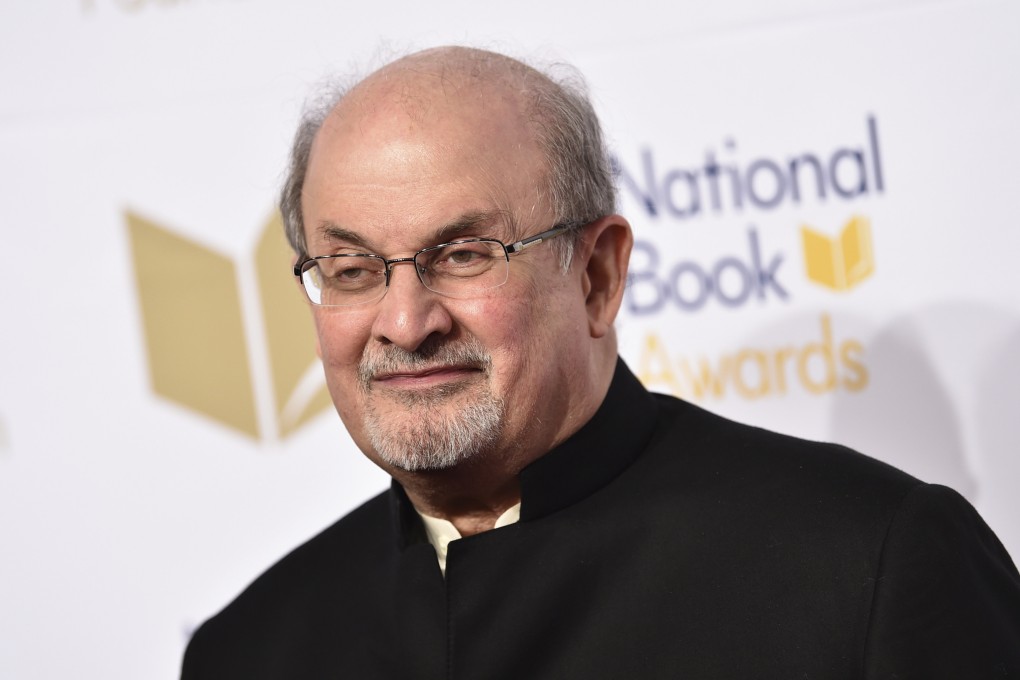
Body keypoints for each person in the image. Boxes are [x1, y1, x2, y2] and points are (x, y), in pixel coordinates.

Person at [181, 46, 1020, 678]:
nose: (405, 322)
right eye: (354, 270)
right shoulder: (250, 651)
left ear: (596, 275)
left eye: (465, 254)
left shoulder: (870, 564)